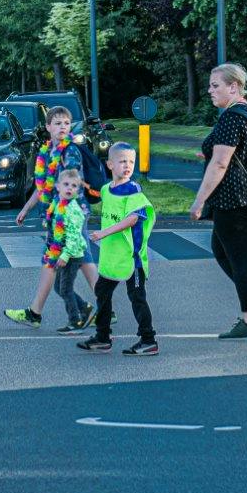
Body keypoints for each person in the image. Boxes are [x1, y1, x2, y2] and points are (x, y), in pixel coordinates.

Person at [190, 63, 247, 340]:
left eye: (215, 85)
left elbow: (221, 163)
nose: (210, 90)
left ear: (233, 86)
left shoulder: (231, 118)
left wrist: (199, 201)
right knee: (222, 250)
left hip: (233, 199)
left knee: (238, 257)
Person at [14, 107, 96, 333]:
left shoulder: (69, 152)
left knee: (51, 262)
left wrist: (61, 213)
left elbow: (69, 184)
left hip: (69, 214)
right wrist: (26, 208)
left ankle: (35, 312)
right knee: (85, 260)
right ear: (48, 127)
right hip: (57, 213)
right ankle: (101, 310)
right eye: (58, 123)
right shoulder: (47, 152)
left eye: (66, 123)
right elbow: (43, 187)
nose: (62, 127)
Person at [83, 144, 157, 355]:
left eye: (131, 162)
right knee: (102, 291)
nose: (128, 166)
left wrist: (103, 233)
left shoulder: (133, 190)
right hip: (113, 257)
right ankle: (102, 337)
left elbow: (133, 219)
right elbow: (94, 193)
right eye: (123, 161)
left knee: (137, 297)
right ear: (110, 164)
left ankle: (148, 339)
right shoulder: (107, 190)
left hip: (132, 258)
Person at [5, 166, 96, 327]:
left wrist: (65, 255)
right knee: (59, 287)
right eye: (66, 185)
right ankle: (85, 308)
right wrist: (28, 210)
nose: (69, 188)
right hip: (59, 248)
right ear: (57, 186)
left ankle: (76, 321)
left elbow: (75, 238)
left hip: (71, 254)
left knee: (65, 288)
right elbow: (42, 190)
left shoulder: (73, 210)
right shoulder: (58, 204)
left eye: (73, 186)